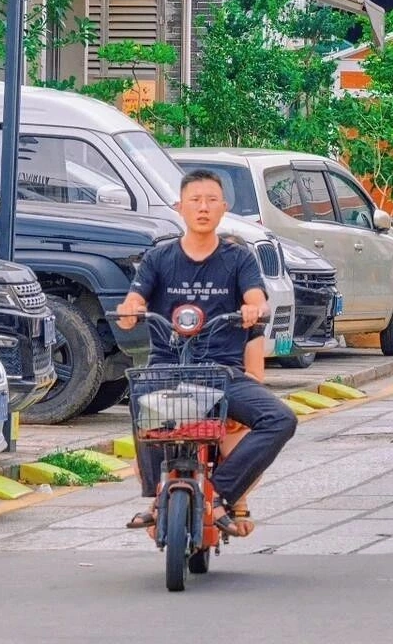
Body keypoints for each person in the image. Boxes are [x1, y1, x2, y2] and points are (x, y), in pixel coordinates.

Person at [117, 167, 297, 537]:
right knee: (140, 402)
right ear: (179, 207)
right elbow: (134, 297)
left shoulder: (238, 259)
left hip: (221, 373)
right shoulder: (158, 257)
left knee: (281, 419)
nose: (203, 207)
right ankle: (155, 496)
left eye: (211, 200)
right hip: (165, 370)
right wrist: (131, 309)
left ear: (223, 208)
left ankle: (222, 493)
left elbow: (256, 297)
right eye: (195, 200)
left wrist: (254, 308)